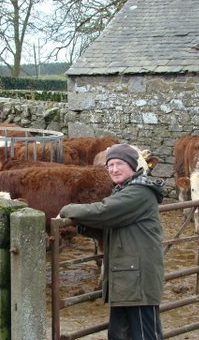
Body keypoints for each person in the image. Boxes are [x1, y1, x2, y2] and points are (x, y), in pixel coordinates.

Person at [59, 143, 166, 340]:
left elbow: (104, 211)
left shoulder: (139, 192)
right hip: (126, 277)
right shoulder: (123, 190)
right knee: (118, 334)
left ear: (133, 166)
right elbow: (112, 224)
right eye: (110, 165)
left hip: (139, 280)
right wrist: (82, 226)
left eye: (119, 164)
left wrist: (67, 210)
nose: (114, 169)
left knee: (144, 334)